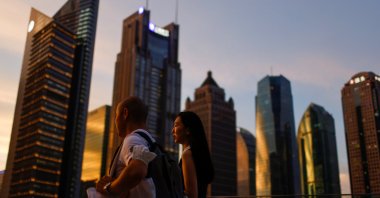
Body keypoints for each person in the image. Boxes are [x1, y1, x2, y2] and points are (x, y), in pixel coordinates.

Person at [95, 96, 157, 197]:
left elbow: (138, 169)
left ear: (125, 113)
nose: (115, 121)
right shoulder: (150, 143)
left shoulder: (132, 139)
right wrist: (117, 184)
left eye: (116, 115)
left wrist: (109, 189)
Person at [172, 111, 214, 198]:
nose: (173, 130)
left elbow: (191, 195)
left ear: (188, 130)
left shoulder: (187, 154)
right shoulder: (196, 154)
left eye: (176, 125)